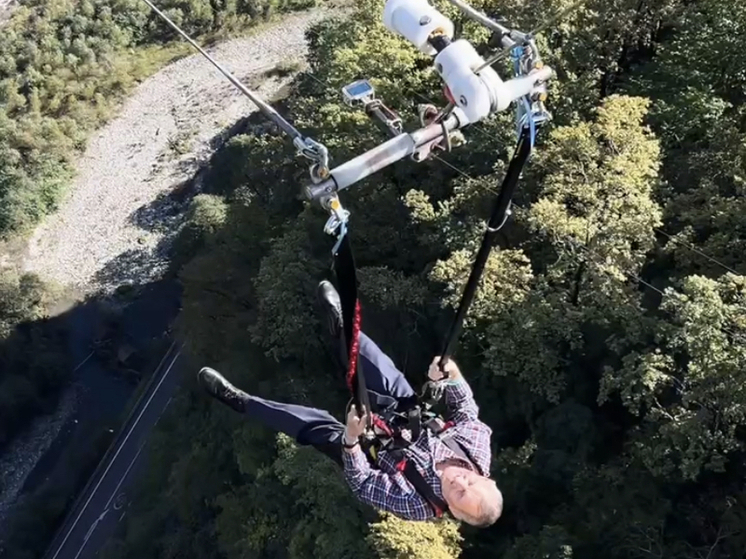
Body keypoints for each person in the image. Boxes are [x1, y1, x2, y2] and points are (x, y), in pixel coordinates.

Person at [197, 280, 503, 526]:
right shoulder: (475, 451)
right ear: (484, 477)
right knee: (385, 373)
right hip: (407, 417)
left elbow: (363, 483)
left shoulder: (418, 504)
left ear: (453, 510)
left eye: (460, 494)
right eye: (471, 481)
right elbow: (466, 411)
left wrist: (352, 439)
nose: (460, 481)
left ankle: (241, 401)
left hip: (369, 450)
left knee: (314, 426)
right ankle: (344, 329)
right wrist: (452, 376)